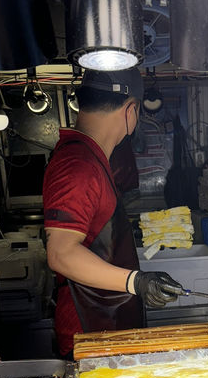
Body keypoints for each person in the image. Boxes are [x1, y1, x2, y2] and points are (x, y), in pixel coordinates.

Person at [43, 67, 183, 358]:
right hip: (88, 335)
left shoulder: (92, 157)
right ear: (131, 111)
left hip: (106, 327)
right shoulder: (78, 164)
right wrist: (136, 282)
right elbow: (61, 253)